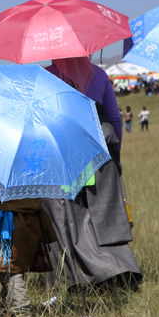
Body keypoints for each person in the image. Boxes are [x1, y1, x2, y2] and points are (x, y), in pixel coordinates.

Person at [42, 57, 142, 292]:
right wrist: (116, 156)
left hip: (64, 152)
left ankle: (82, 277)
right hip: (102, 150)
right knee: (105, 213)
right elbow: (114, 118)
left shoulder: (46, 76)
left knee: (68, 217)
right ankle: (119, 270)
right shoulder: (98, 74)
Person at [0, 179, 56, 317]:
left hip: (1, 222)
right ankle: (7, 307)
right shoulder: (34, 164)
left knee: (11, 268)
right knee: (11, 266)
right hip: (29, 222)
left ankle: (21, 312)